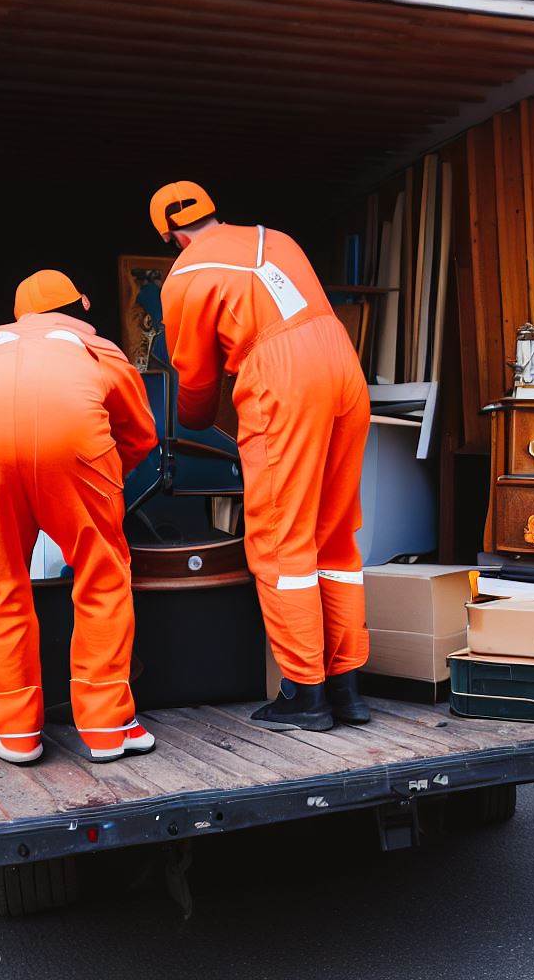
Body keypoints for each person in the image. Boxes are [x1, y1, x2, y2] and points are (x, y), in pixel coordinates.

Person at [149, 181, 371, 732]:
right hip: (343, 366)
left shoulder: (184, 276)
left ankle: (304, 693)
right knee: (334, 535)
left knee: (278, 542)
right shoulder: (278, 239)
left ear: (171, 235)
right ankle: (347, 687)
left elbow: (196, 382)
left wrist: (197, 421)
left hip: (283, 378)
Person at [0, 270, 159, 764]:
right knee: (102, 578)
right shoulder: (100, 349)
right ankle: (107, 725)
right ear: (83, 305)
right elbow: (140, 434)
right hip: (76, 450)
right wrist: (99, 479)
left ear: (20, 315)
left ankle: (14, 732)